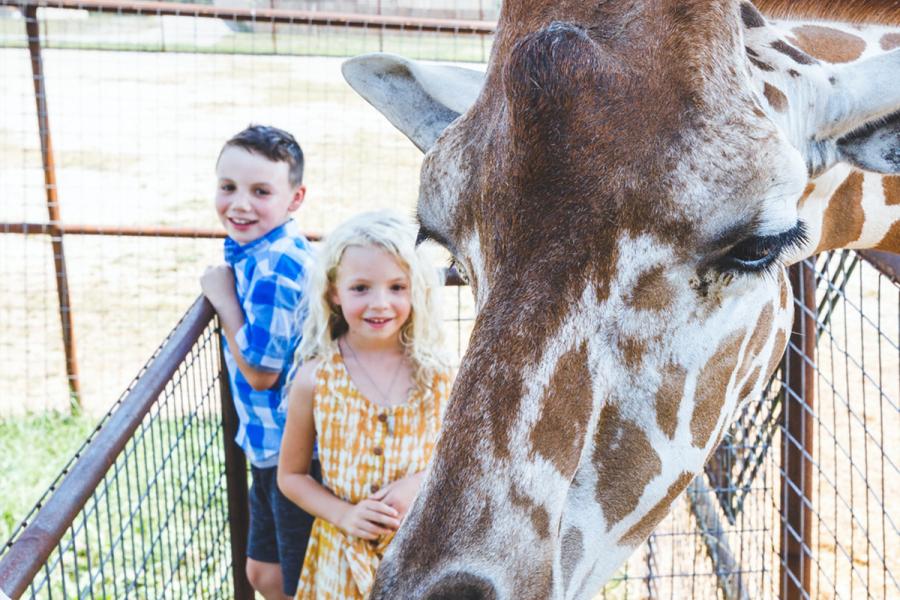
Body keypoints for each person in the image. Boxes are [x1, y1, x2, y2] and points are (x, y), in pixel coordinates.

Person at [277, 210, 452, 599]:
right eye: (361, 288)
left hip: (418, 556)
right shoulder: (315, 379)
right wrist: (345, 514)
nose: (380, 303)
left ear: (416, 290)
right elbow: (290, 476)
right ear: (334, 292)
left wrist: (420, 483)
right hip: (341, 558)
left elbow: (459, 460)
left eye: (396, 287)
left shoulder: (439, 376)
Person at [200, 124, 317, 600]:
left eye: (260, 192)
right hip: (267, 444)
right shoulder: (256, 252)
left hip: (296, 450)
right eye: (228, 188)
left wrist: (224, 300)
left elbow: (261, 371)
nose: (240, 204)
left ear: (295, 198)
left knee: (296, 581)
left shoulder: (280, 266)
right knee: (262, 574)